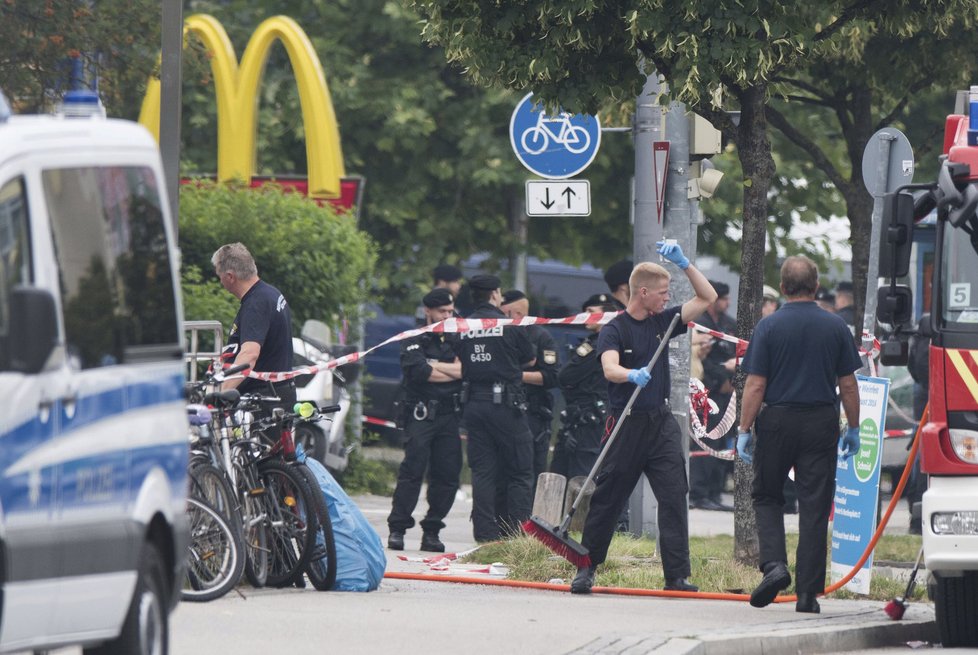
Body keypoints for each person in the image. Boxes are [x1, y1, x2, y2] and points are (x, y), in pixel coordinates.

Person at [570, 243, 717, 595]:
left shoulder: (664, 321)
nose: (668, 299)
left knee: (673, 495)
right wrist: (629, 374)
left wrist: (684, 264)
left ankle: (676, 576)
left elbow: (707, 296)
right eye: (663, 293)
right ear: (644, 292)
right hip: (626, 421)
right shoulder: (615, 329)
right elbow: (609, 367)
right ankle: (587, 568)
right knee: (608, 497)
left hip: (661, 422)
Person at [736, 255, 862, 614]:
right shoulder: (836, 326)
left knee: (766, 495)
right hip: (820, 421)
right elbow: (849, 386)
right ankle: (807, 595)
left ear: (783, 287)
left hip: (777, 420)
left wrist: (744, 429)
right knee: (815, 505)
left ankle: (774, 566)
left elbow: (756, 384)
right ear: (817, 286)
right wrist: (853, 428)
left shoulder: (768, 327)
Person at [455, 274, 536, 542]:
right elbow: (529, 357)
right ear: (494, 295)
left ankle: (485, 534)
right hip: (505, 406)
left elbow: (460, 356)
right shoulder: (508, 325)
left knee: (482, 472)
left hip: (473, 405)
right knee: (520, 470)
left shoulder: (463, 326)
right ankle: (516, 534)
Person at [387, 288, 463, 552]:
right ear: (428, 311)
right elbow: (419, 372)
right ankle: (398, 528)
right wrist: (450, 370)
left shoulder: (457, 336)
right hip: (420, 413)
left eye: (450, 311)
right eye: (442, 311)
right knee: (412, 472)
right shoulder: (414, 337)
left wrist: (436, 367)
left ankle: (432, 530)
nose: (447, 315)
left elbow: (467, 371)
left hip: (448, 414)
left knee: (447, 475)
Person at [213, 243, 296, 414]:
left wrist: (220, 395)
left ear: (230, 277)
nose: (220, 280)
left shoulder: (256, 304)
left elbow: (249, 355)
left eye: (219, 275)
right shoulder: (271, 294)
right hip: (280, 393)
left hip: (263, 400)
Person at [551, 293, 616, 479]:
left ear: (606, 315)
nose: (585, 316)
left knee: (580, 475)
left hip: (588, 418)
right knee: (559, 473)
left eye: (590, 311)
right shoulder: (603, 342)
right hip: (580, 417)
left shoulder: (597, 345)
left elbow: (565, 376)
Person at [500, 289, 559, 492]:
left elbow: (551, 376)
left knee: (531, 471)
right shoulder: (499, 332)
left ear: (514, 313)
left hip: (533, 414)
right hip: (504, 411)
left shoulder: (541, 337)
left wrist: (515, 375)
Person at [905, 313, 931, 535]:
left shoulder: (922, 330)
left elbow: (912, 368)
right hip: (931, 395)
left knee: (919, 452)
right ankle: (917, 512)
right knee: (924, 454)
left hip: (922, 395)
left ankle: (915, 509)